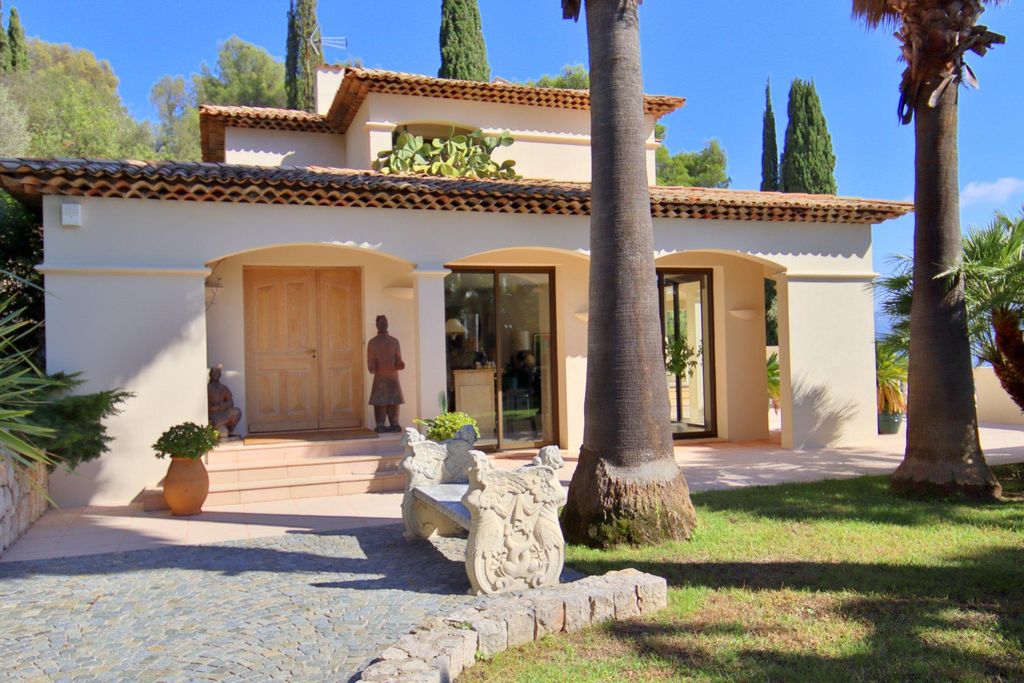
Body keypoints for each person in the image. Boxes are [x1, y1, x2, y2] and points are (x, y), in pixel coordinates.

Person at [366, 315, 405, 432]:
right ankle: (380, 424)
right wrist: (372, 367)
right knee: (380, 402)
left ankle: (394, 423)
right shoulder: (373, 343)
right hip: (380, 377)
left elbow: (398, 359)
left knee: (394, 401)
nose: (383, 324)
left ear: (388, 324)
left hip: (393, 377)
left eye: (385, 322)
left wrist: (400, 364)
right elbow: (370, 360)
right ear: (376, 325)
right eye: (381, 322)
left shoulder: (394, 342)